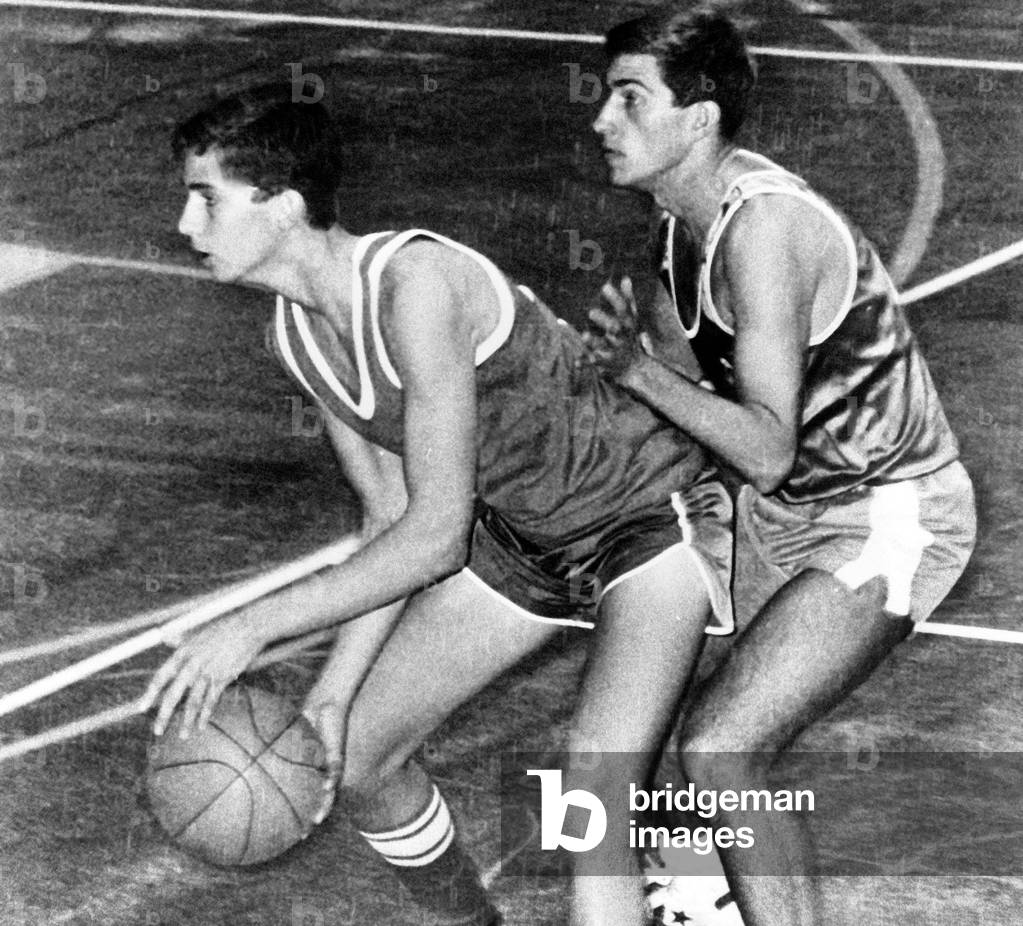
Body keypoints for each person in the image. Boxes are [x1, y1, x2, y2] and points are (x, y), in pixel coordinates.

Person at [144, 85, 735, 926]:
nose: (184, 226)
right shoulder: (298, 330)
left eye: (205, 199)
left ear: (283, 202)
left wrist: (251, 625)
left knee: (595, 799)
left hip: (648, 515)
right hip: (530, 543)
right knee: (358, 763)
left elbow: (433, 538)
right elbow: (388, 517)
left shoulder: (417, 283)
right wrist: (332, 697)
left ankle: (691, 876)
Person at [583, 7, 976, 925]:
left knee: (722, 749)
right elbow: (702, 426)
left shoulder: (762, 229)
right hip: (784, 515)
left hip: (887, 512)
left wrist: (634, 371)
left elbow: (762, 446)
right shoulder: (678, 228)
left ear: (700, 118)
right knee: (683, 736)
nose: (602, 119)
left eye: (630, 99)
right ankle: (700, 903)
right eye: (606, 95)